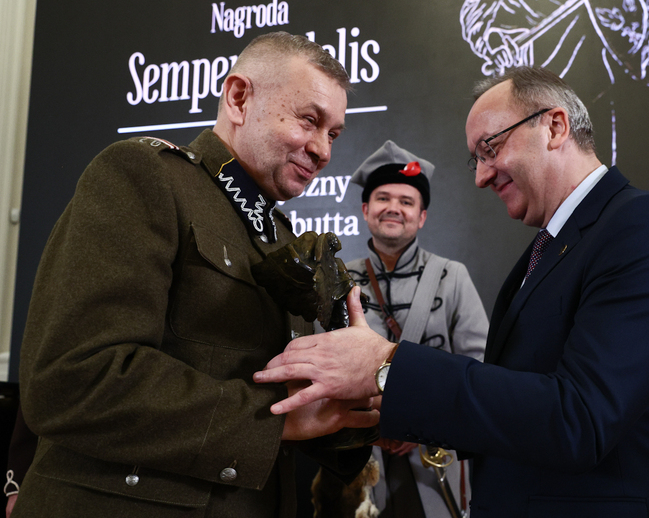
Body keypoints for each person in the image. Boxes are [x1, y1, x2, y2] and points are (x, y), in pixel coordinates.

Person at [254, 65, 649, 518]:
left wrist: (385, 366)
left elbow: (581, 419)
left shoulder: (646, 226)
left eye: (490, 149)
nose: (481, 177)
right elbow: (514, 404)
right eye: (476, 159)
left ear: (554, 126)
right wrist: (378, 403)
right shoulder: (549, 248)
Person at [15, 32, 379, 518]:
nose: (322, 151)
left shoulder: (282, 235)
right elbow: (72, 379)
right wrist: (273, 420)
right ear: (239, 97)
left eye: (333, 134)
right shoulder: (144, 174)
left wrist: (351, 409)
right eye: (309, 120)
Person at [346, 141, 488, 516]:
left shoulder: (451, 276)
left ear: (422, 216)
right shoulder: (340, 278)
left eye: (407, 202)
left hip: (432, 453)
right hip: (358, 454)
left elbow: (479, 367)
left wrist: (423, 424)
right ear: (366, 210)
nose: (394, 207)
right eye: (383, 198)